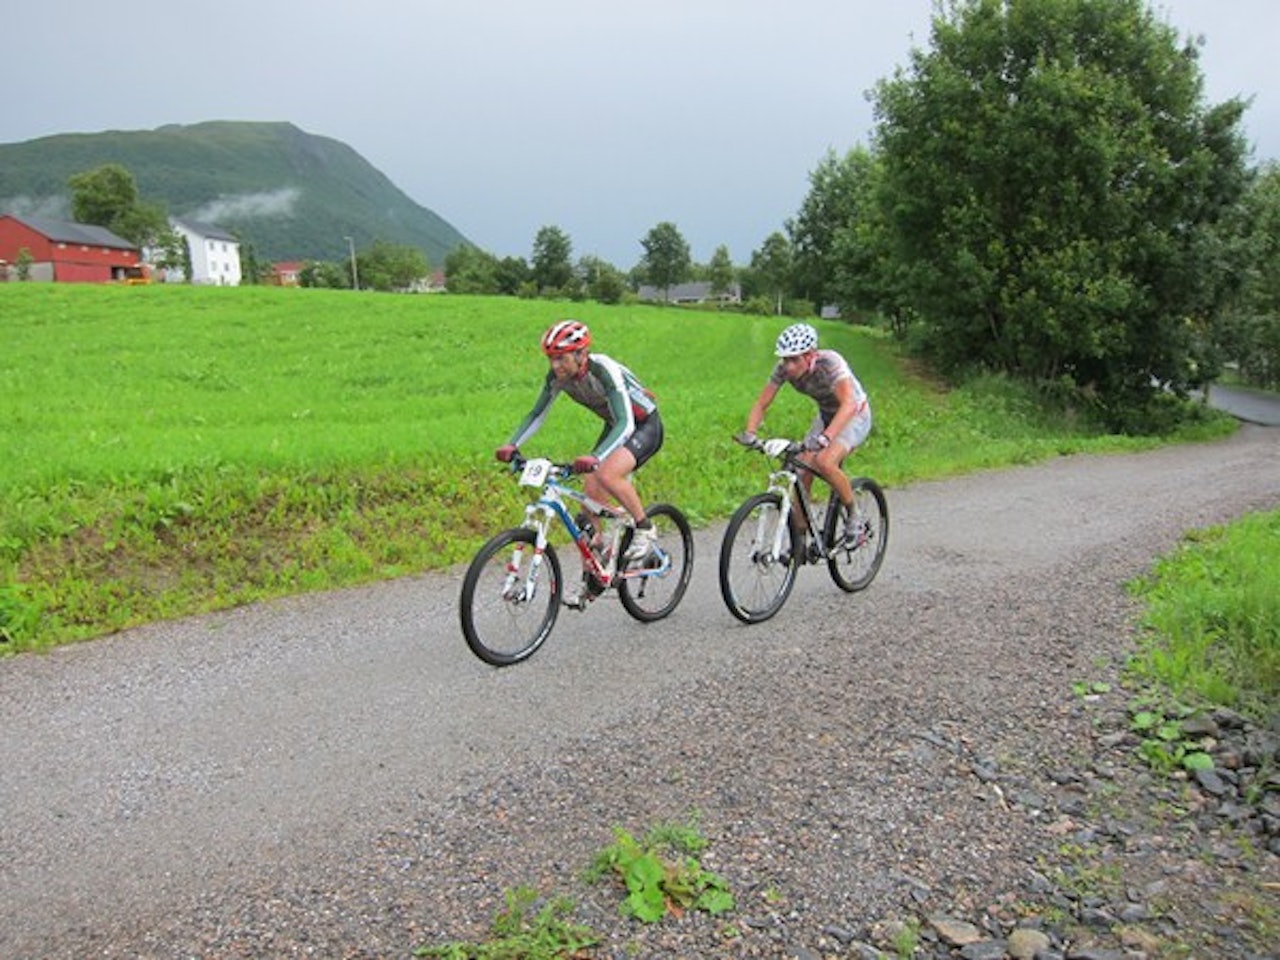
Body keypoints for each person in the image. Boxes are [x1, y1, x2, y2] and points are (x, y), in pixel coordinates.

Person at [495, 319, 664, 569]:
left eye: (561, 358)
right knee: (589, 501)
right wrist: (512, 444)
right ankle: (600, 560)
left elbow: (626, 422)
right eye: (551, 358)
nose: (555, 365)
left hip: (643, 425)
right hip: (615, 425)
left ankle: (644, 528)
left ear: (582, 354)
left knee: (607, 474)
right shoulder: (557, 377)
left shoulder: (603, 370)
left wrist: (597, 457)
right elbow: (537, 414)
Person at [738, 321, 872, 543]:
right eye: (784, 359)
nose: (788, 366)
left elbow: (848, 404)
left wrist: (826, 438)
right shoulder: (782, 370)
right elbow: (762, 403)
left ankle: (854, 518)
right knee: (802, 469)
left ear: (810, 356)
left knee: (825, 462)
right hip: (826, 415)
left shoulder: (831, 364)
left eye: (794, 360)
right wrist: (750, 434)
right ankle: (800, 536)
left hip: (854, 415)